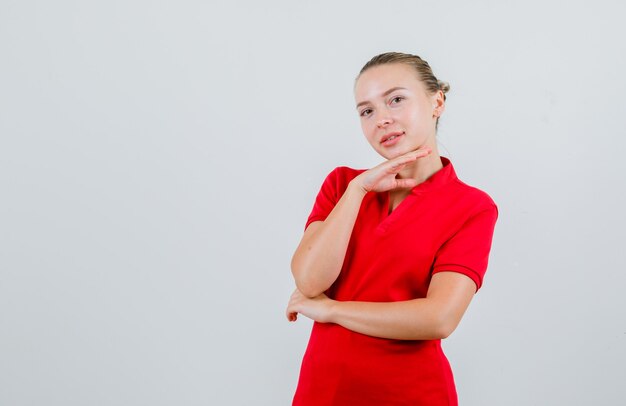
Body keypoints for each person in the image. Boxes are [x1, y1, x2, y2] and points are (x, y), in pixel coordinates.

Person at [285, 52, 498, 405]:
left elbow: (439, 318)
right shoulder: (342, 185)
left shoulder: (472, 207)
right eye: (367, 111)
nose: (381, 120)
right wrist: (358, 192)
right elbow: (309, 282)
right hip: (322, 392)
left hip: (412, 393)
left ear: (437, 102)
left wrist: (333, 310)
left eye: (396, 100)